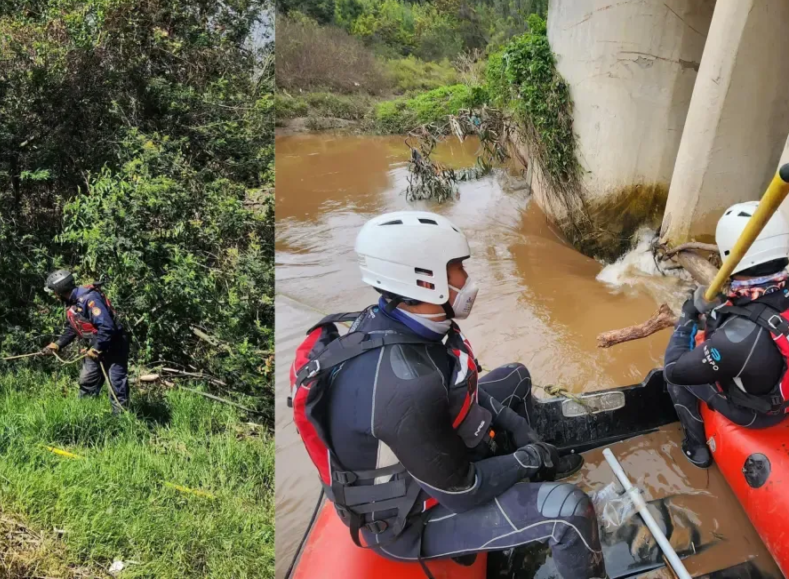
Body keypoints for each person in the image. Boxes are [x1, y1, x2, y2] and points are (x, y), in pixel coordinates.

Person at [289, 211, 605, 579]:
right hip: (408, 520)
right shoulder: (407, 387)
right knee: (570, 511)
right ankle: (541, 481)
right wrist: (529, 458)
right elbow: (465, 489)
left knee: (516, 376)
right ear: (425, 280)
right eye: (457, 269)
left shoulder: (401, 323)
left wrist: (518, 427)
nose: (468, 280)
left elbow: (460, 383)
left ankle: (538, 469)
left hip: (425, 446)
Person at [664, 201, 789, 468]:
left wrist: (686, 318)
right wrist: (719, 310)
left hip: (759, 413)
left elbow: (674, 369)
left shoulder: (736, 339)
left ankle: (696, 447)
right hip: (778, 387)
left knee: (676, 378)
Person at [42, 269, 129, 413]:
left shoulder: (89, 299)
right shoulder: (72, 303)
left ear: (60, 289)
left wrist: (96, 347)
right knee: (87, 382)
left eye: (54, 292)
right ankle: (84, 416)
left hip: (113, 345)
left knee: (116, 385)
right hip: (94, 348)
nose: (54, 295)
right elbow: (72, 328)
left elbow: (107, 327)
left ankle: (122, 422)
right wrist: (57, 345)